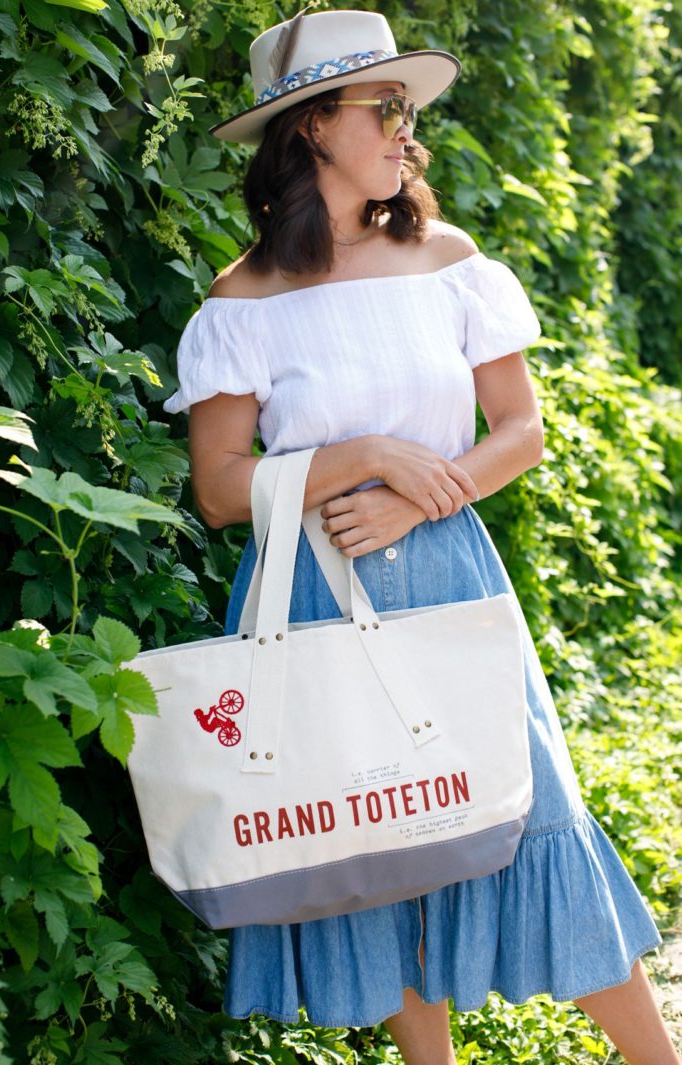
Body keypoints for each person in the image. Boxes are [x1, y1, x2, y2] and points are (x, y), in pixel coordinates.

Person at [163, 9, 678, 1065]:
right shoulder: (239, 300)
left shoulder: (445, 260)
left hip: (446, 575)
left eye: (408, 109)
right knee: (373, 840)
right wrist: (364, 458)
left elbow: (520, 434)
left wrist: (416, 495)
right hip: (311, 591)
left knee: (534, 816)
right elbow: (218, 490)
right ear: (310, 128)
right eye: (385, 107)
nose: (410, 131)